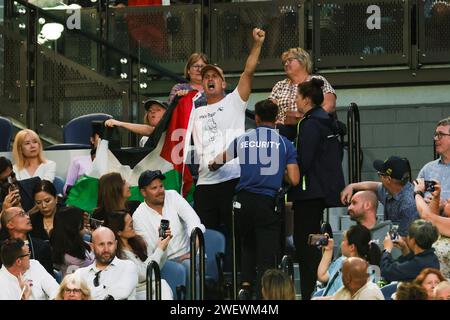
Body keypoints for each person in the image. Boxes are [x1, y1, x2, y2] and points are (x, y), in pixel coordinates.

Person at [209, 99, 299, 295]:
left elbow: (217, 161)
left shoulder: (244, 139)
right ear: (277, 119)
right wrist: (279, 172)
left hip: (243, 202)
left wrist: (212, 165)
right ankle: (263, 295)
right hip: (268, 203)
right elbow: (294, 178)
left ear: (256, 118)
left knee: (247, 245)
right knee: (267, 256)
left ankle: (245, 287)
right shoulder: (285, 144)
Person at [190, 29, 265, 249]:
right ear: (202, 85)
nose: (210, 79)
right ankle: (210, 281)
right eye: (206, 77)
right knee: (206, 237)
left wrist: (257, 43)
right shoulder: (194, 111)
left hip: (232, 179)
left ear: (223, 84)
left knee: (236, 235)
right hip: (204, 183)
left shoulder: (234, 101)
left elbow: (249, 72)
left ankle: (240, 280)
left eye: (215, 76)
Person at [288, 78, 345, 300]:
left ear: (307, 99)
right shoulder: (326, 120)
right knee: (313, 242)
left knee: (305, 245)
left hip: (309, 193)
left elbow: (305, 159)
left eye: (297, 98)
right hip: (322, 191)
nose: (295, 102)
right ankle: (316, 287)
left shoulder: (309, 123)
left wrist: (290, 178)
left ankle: (310, 292)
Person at [132, 170, 205, 297]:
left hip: (188, 253)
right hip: (163, 261)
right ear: (143, 192)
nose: (160, 190)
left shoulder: (172, 196)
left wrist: (192, 252)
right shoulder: (138, 216)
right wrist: (162, 242)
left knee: (189, 265)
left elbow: (194, 222)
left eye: (161, 186)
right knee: (183, 269)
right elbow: (149, 250)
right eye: (154, 188)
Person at [341, 155, 419, 237]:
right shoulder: (391, 188)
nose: (379, 178)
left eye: (380, 175)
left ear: (388, 179)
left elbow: (406, 238)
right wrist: (352, 186)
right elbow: (373, 186)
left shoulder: (409, 204)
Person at [104, 210, 173, 300]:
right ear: (119, 232)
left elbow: (156, 267)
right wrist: (159, 249)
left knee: (162, 285)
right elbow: (142, 274)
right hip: (136, 294)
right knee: (162, 286)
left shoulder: (138, 242)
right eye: (130, 226)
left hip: (151, 288)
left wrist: (163, 246)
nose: (134, 227)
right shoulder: (118, 255)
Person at [269, 47, 336, 124]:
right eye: (284, 62)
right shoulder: (280, 85)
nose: (286, 64)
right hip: (282, 128)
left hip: (312, 125)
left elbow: (330, 105)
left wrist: (305, 120)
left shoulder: (316, 80)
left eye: (290, 60)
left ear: (303, 61)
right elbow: (269, 111)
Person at [74, 227, 138, 300]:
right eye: (101, 244)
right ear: (92, 247)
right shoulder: (80, 274)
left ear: (116, 244)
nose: (106, 249)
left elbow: (121, 293)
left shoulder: (128, 266)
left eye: (110, 244)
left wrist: (87, 294)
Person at [316, 224, 381, 297]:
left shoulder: (367, 273)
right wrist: (329, 250)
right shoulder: (341, 261)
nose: (341, 243)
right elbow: (322, 276)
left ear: (352, 247)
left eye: (344, 240)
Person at [0, 207, 53, 275]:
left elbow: (49, 279)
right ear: (10, 225)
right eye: (21, 214)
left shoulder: (42, 247)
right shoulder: (2, 249)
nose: (28, 217)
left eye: (26, 214)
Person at [414, 180, 450, 278]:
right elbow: (431, 223)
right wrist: (436, 197)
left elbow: (427, 216)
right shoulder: (442, 223)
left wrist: (417, 193)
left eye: (449, 201)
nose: (447, 200)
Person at [50, 206, 94, 277]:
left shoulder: (66, 246)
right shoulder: (72, 259)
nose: (85, 227)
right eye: (83, 224)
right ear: (76, 228)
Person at [417, 116, 450, 205]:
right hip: (428, 217)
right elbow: (415, 196)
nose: (435, 138)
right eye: (435, 134)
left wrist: (444, 205)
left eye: (440, 135)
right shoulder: (427, 169)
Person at [64, 124, 101, 195]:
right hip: (81, 200)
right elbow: (67, 188)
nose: (103, 142)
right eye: (100, 138)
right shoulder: (78, 161)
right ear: (92, 140)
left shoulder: (113, 163)